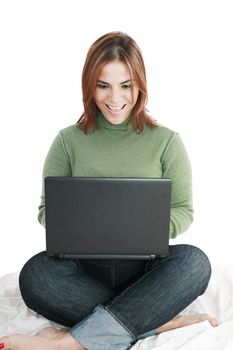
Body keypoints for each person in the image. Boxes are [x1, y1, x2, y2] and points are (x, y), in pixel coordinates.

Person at [0, 31, 218, 350]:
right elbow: (47, 211)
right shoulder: (68, 141)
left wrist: (145, 227)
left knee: (194, 263)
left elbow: (184, 210)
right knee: (35, 275)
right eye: (103, 85)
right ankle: (154, 322)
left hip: (145, 269)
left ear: (139, 84)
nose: (115, 99)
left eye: (125, 85)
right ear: (90, 85)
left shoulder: (166, 141)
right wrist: (83, 226)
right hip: (85, 270)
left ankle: (67, 343)